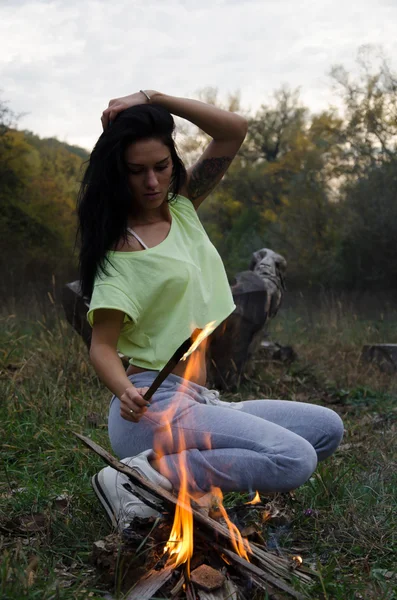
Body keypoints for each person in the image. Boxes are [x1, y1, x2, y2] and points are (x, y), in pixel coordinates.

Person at [77, 90, 344, 531]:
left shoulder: (180, 208)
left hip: (198, 398)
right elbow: (101, 347)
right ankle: (144, 477)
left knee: (326, 428)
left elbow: (233, 130)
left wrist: (151, 97)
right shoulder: (120, 251)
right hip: (155, 409)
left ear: (173, 163)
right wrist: (124, 389)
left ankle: (184, 479)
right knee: (294, 459)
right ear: (115, 174)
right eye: (136, 171)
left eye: (161, 167)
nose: (151, 183)